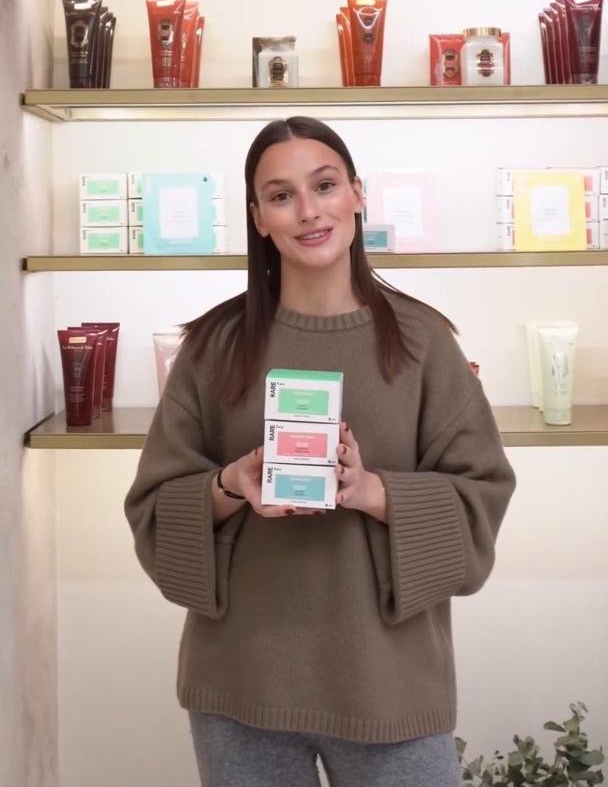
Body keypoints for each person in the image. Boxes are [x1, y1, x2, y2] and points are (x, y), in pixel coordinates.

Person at [125, 116, 516, 787]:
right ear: (258, 218)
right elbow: (152, 510)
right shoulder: (213, 348)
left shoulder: (425, 344)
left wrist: (373, 490)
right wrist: (231, 485)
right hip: (241, 683)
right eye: (281, 196)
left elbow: (483, 497)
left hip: (391, 685)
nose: (308, 211)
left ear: (358, 194)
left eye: (325, 185)